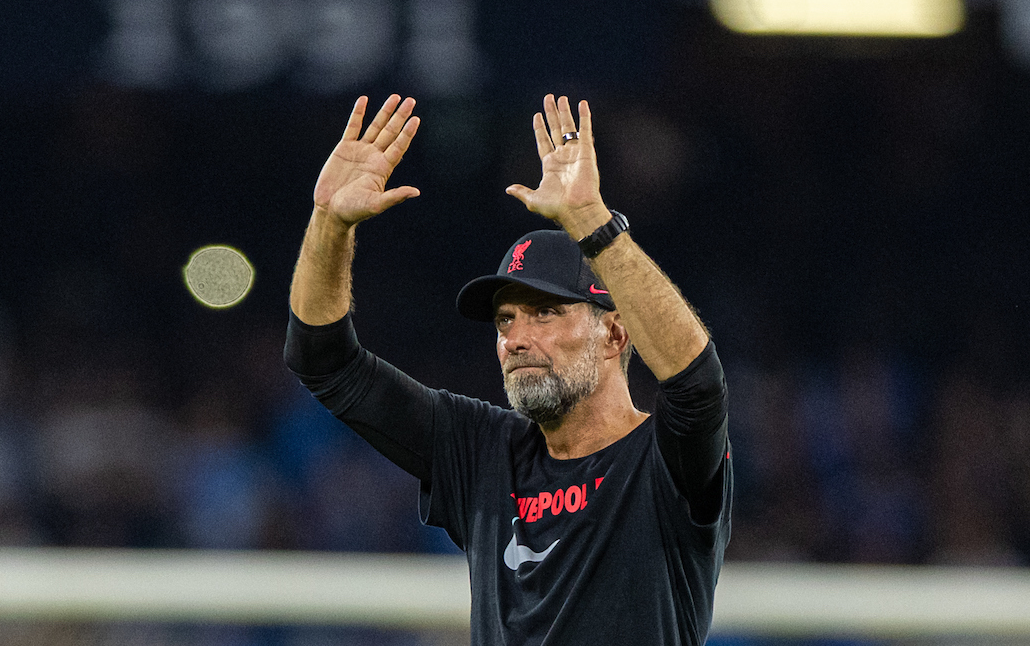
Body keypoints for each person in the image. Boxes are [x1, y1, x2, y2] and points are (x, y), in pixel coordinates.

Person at [284, 93, 732, 645]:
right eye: (504, 320)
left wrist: (592, 220)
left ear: (615, 333)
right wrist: (329, 222)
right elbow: (325, 363)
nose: (516, 339)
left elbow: (697, 383)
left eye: (545, 313)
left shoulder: (667, 457)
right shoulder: (483, 452)